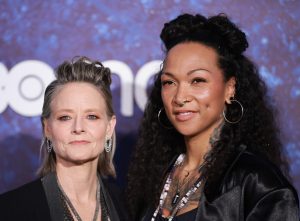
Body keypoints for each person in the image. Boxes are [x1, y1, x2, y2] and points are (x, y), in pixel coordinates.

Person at [126, 13, 300, 221]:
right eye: (169, 82)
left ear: (230, 88)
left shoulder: (259, 184)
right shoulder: (156, 175)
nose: (180, 97)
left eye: (197, 80)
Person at [0, 56, 127, 221]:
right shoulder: (11, 209)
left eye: (92, 116)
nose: (78, 128)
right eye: (65, 117)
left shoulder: (126, 206)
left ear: (109, 127)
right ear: (48, 128)